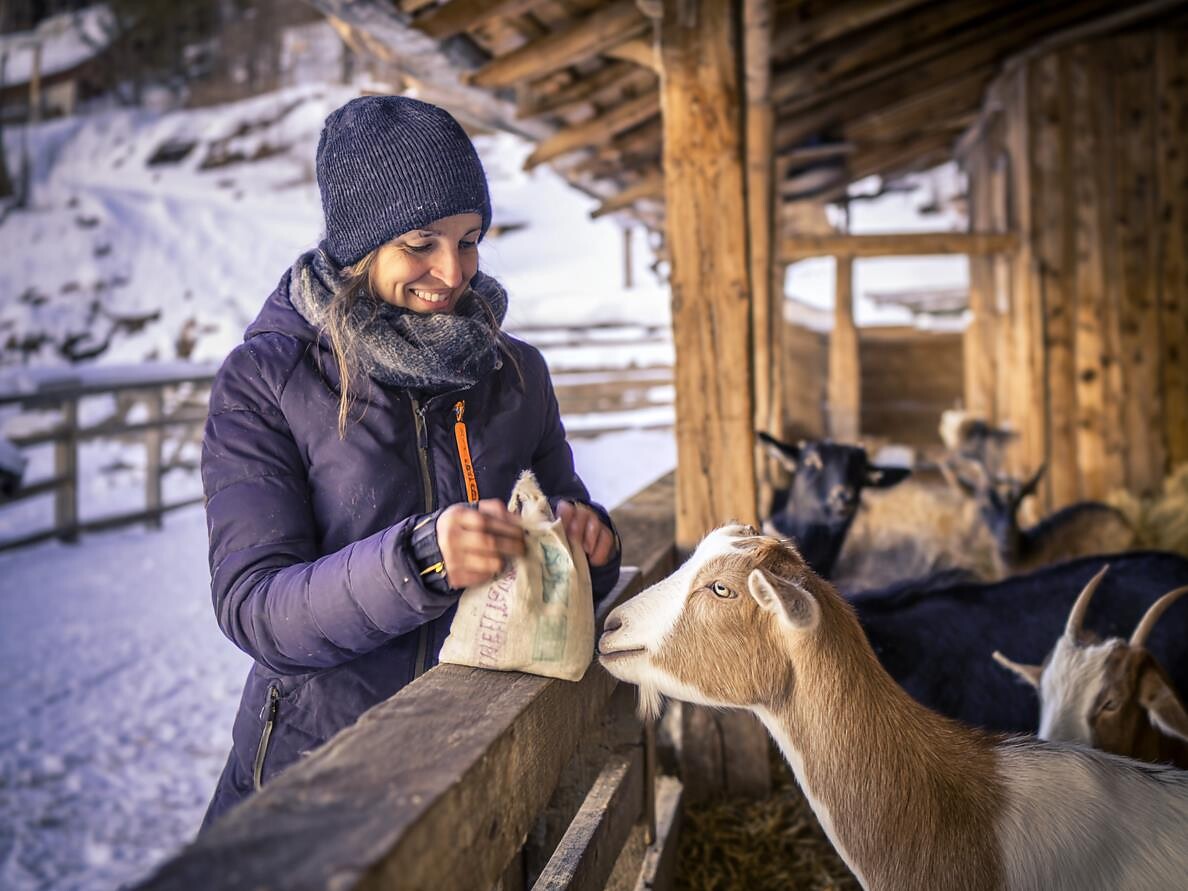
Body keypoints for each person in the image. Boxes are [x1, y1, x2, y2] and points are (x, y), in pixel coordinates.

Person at [200, 95, 621, 826]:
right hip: (321, 778)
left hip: (482, 756)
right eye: (421, 242)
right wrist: (420, 561)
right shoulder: (266, 381)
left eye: (470, 239)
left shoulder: (516, 374)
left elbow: (560, 523)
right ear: (360, 244)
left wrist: (591, 544)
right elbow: (253, 605)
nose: (452, 271)